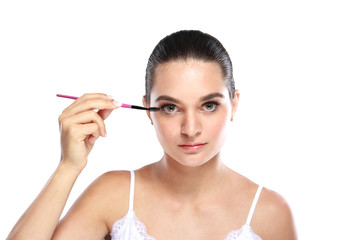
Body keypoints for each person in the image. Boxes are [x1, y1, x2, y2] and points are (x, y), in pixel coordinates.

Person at [7, 30, 297, 240]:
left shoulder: (270, 213)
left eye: (209, 105)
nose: (190, 128)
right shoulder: (114, 195)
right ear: (147, 108)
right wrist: (68, 167)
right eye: (171, 107)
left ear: (233, 104)